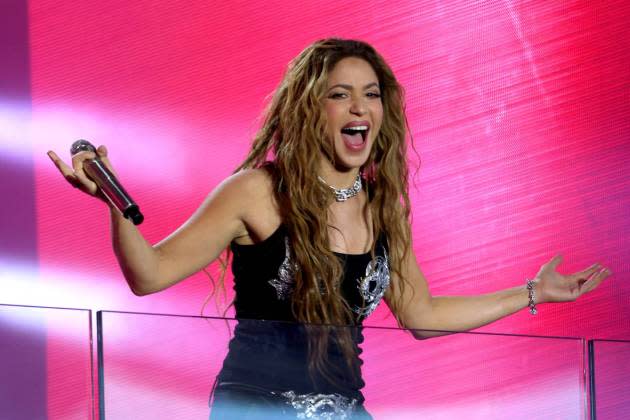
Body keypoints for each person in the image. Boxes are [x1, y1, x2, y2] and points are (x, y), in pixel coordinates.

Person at [47, 38, 611, 419]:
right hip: (257, 404)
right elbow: (149, 275)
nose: (358, 107)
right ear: (311, 108)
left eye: (370, 94)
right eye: (340, 94)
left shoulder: (386, 207)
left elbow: (422, 315)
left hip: (343, 407)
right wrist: (116, 207)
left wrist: (534, 292)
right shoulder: (257, 191)